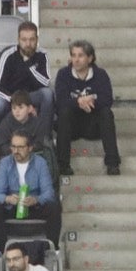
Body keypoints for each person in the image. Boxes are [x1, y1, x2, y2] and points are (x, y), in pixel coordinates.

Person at [52, 40, 119, 177]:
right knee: (64, 113)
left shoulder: (100, 75)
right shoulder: (64, 74)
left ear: (90, 58)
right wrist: (79, 102)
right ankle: (63, 165)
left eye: (80, 56)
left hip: (93, 126)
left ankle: (113, 164)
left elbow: (107, 100)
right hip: (72, 126)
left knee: (106, 113)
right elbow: (60, 102)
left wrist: (91, 101)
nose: (76, 60)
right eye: (73, 55)